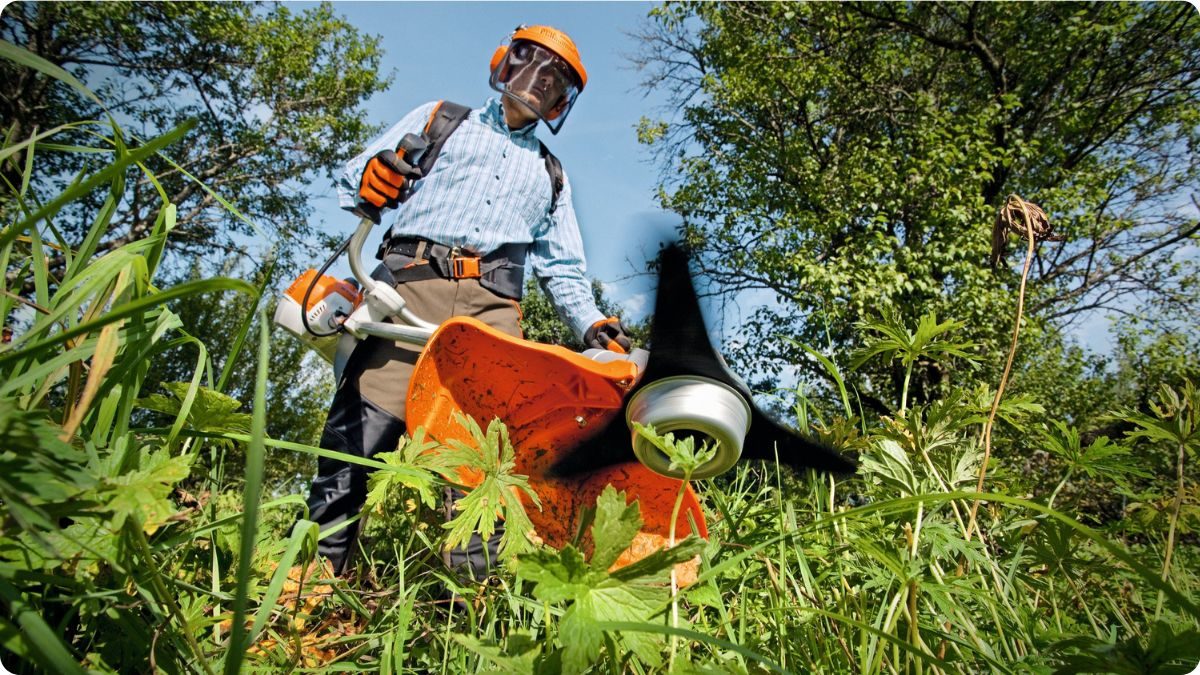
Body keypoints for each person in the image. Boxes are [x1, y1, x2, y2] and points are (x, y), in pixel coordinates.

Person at [303, 25, 632, 577]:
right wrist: (374, 175)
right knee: (361, 430)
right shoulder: (441, 119)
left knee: (486, 455)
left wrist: (592, 323)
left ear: (561, 102)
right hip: (409, 284)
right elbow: (352, 179)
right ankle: (313, 576)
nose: (537, 84)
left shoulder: (551, 174)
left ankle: (468, 599)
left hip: (492, 311)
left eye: (552, 82)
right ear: (505, 64)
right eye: (530, 67)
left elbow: (565, 269)